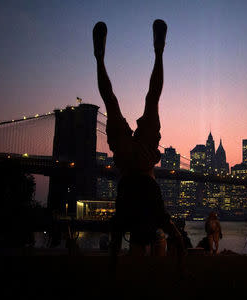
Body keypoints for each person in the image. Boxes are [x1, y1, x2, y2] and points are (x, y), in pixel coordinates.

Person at [93, 19, 186, 274]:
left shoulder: (157, 217)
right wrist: (113, 267)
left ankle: (159, 51)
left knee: (152, 98)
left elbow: (178, 241)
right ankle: (99, 58)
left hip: (144, 162)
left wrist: (181, 269)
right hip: (128, 161)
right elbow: (114, 248)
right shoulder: (125, 220)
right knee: (110, 101)